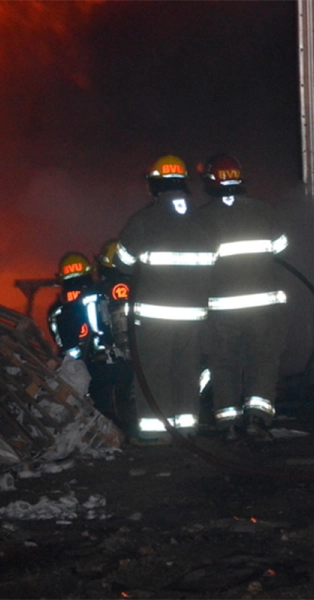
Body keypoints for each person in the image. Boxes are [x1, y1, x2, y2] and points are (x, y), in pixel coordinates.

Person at [114, 155, 216, 442]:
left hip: (154, 317)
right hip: (194, 316)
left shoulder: (144, 220)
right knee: (187, 372)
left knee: (154, 372)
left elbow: (122, 262)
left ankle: (156, 434)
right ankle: (187, 429)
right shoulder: (204, 221)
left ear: (154, 186)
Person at [197, 153, 288, 440]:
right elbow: (281, 247)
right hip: (264, 308)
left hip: (221, 311)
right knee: (263, 361)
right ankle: (256, 420)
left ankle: (228, 425)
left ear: (210, 182)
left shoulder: (202, 219)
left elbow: (197, 263)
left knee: (224, 364)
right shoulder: (263, 211)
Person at [47, 251, 122, 425]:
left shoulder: (58, 310)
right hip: (109, 364)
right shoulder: (102, 296)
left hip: (77, 371)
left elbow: (60, 341)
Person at [92, 239, 136, 436]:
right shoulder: (117, 286)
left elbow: (122, 328)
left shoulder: (119, 287)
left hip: (123, 359)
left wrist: (121, 353)